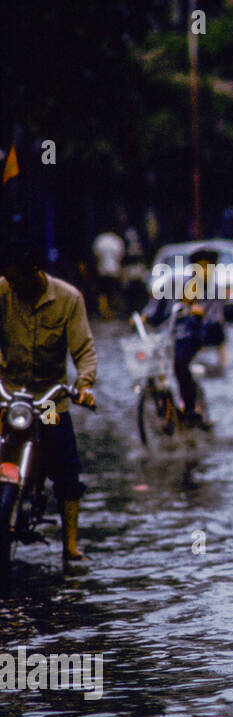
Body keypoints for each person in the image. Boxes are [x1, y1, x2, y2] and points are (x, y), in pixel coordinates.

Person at [0, 237, 97, 563]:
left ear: (35, 272)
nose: (14, 286)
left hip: (51, 399)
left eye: (18, 280)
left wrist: (83, 385)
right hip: (8, 393)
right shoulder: (2, 292)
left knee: (67, 470)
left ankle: (70, 546)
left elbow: (83, 350)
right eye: (9, 280)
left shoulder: (69, 299)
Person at [146, 248, 226, 429]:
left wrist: (198, 315)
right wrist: (145, 316)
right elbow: (155, 308)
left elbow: (214, 323)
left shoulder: (215, 291)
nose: (204, 272)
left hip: (194, 337)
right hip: (167, 336)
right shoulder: (175, 283)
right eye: (201, 267)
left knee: (180, 363)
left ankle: (190, 408)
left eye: (209, 268)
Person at [91, 227, 124, 319]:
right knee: (112, 291)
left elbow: (96, 255)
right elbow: (120, 255)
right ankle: (111, 310)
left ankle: (104, 311)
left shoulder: (100, 239)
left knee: (102, 292)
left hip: (102, 269)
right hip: (114, 270)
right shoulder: (116, 240)